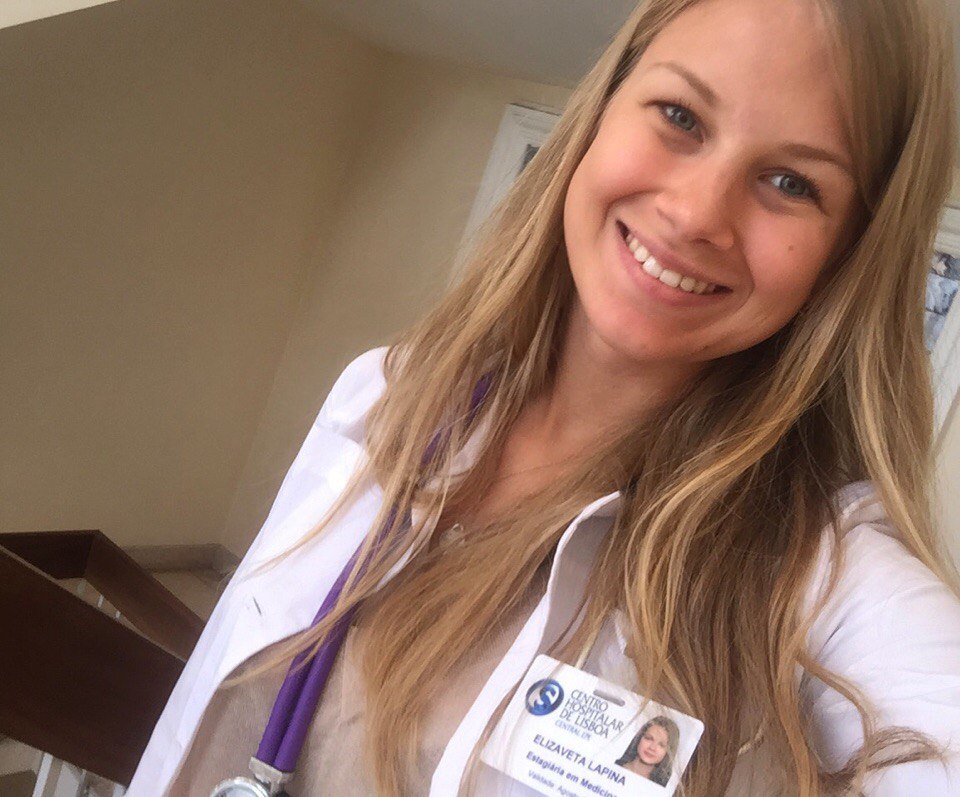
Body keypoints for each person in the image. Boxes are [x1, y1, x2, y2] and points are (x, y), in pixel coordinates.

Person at [128, 0, 960, 794]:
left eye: (789, 181)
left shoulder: (826, 584)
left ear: (850, 252)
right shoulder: (386, 395)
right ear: (602, 110)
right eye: (680, 116)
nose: (695, 213)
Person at [616, 716, 680, 786]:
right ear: (639, 738)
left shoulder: (663, 787)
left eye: (661, 745)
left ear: (668, 752)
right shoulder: (613, 766)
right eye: (649, 738)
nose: (652, 747)